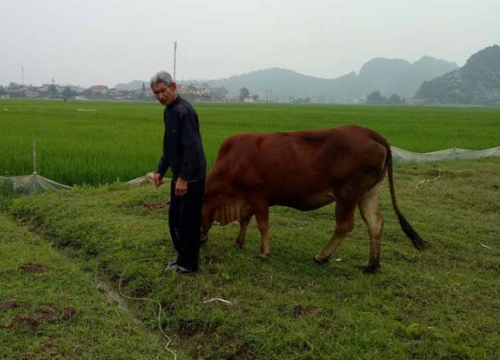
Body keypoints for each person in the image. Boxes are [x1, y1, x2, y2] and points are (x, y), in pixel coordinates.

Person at [150, 70, 207, 274]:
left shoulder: (185, 112)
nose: (159, 96)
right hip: (180, 174)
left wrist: (183, 178)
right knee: (175, 219)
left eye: (163, 91)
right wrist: (160, 170)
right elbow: (169, 146)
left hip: (192, 176)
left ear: (173, 87)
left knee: (188, 222)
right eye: (155, 93)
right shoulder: (169, 112)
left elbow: (192, 148)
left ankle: (188, 265)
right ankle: (182, 258)